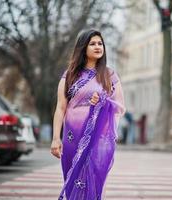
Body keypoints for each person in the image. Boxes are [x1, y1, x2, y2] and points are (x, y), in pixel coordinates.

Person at [50, 29, 125, 200]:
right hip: (71, 137)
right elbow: (61, 108)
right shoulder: (70, 75)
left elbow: (120, 107)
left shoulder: (109, 75)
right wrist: (55, 138)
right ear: (83, 48)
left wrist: (103, 101)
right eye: (92, 44)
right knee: (73, 180)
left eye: (100, 43)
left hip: (97, 139)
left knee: (92, 182)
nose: (98, 46)